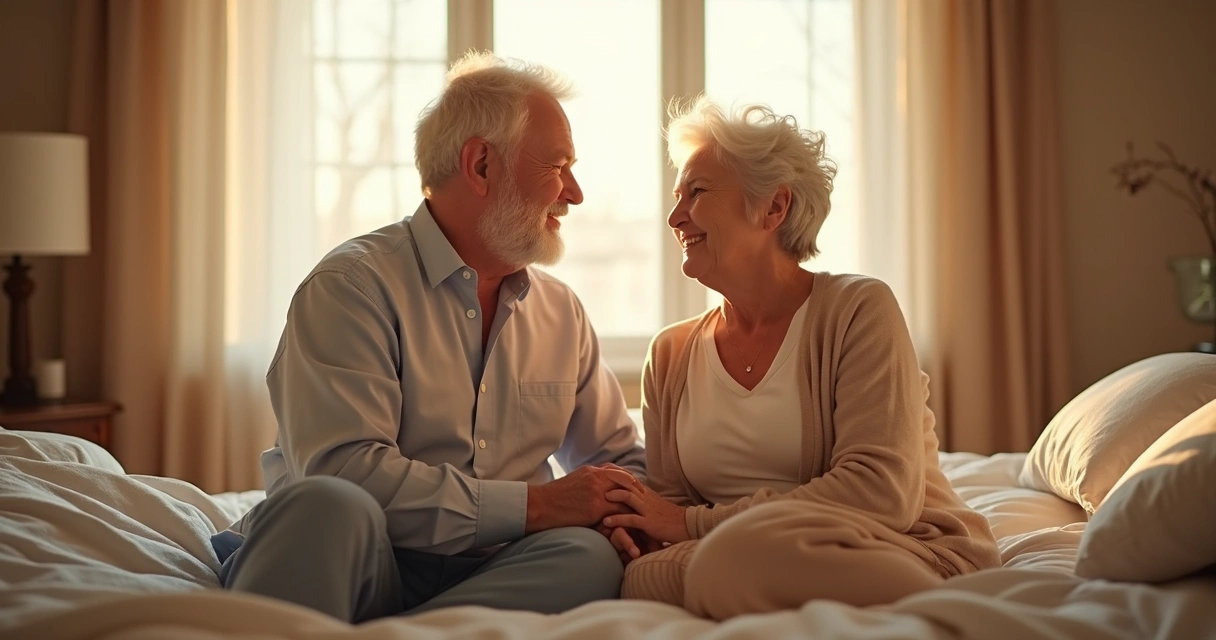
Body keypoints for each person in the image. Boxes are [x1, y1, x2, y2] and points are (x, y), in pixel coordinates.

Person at [211, 52, 646, 623]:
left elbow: (617, 461)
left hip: (495, 567)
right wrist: (536, 505)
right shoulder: (351, 287)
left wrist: (617, 512)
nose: (575, 193)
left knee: (587, 557)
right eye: (559, 166)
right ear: (482, 165)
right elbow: (347, 472)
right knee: (327, 506)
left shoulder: (561, 312)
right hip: (360, 555)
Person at [596, 97, 1002, 620]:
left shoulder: (858, 309)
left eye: (696, 193)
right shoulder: (670, 354)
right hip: (728, 555)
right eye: (677, 197)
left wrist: (693, 530)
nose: (675, 217)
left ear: (774, 208)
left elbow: (881, 494)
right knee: (637, 574)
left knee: (727, 563)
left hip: (898, 548)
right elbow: (668, 513)